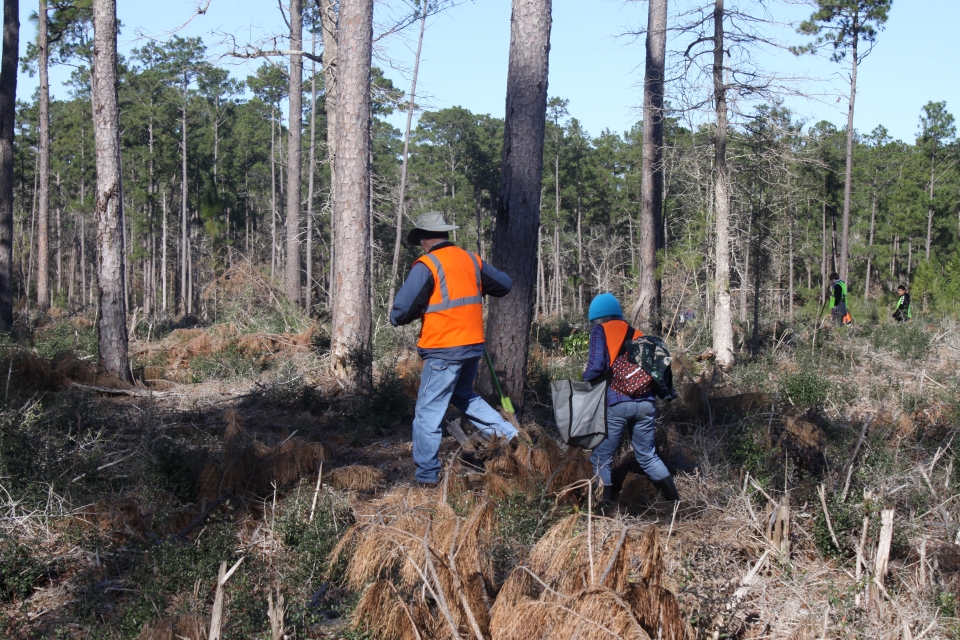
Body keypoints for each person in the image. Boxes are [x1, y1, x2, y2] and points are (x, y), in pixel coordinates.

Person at [390, 212, 518, 485]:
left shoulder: (428, 264)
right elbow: (504, 284)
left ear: (424, 239)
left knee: (428, 412)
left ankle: (426, 477)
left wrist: (404, 315)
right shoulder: (471, 260)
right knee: (464, 396)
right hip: (471, 347)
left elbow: (401, 311)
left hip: (444, 350)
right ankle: (512, 438)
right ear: (445, 235)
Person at [582, 293, 679, 504]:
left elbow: (597, 366)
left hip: (617, 402)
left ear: (598, 317)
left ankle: (603, 509)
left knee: (602, 457)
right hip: (646, 403)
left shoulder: (601, 331)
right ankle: (675, 503)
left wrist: (584, 379)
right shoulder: (638, 333)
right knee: (647, 456)